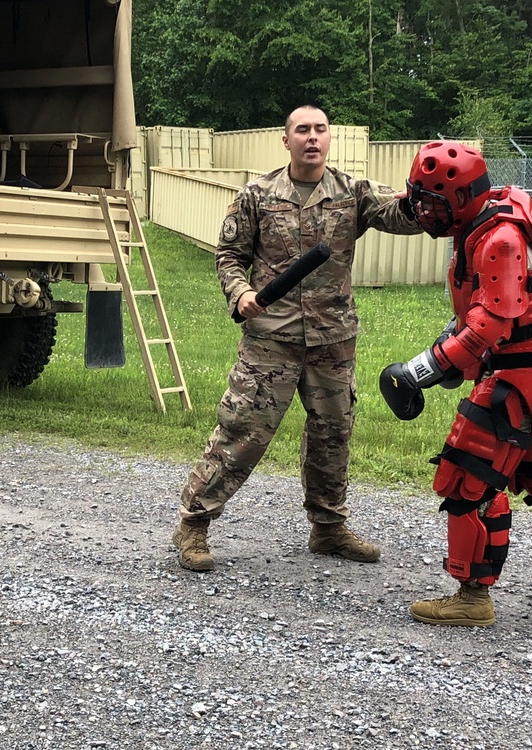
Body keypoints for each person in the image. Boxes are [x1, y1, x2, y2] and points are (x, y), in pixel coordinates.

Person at [172, 104, 422, 572]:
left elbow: (404, 216)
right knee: (243, 433)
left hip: (332, 339)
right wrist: (241, 291)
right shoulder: (258, 195)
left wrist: (428, 194)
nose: (312, 137)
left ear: (331, 139)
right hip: (272, 339)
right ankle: (194, 524)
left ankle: (328, 529)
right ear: (285, 140)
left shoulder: (355, 193)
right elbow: (228, 253)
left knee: (332, 435)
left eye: (320, 130)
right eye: (302, 130)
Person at [380, 141, 532, 626]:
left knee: (469, 478)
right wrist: (453, 351)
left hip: (520, 373)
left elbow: (492, 324)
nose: (422, 210)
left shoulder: (498, 238)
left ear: (462, 197)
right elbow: (489, 306)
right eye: (419, 196)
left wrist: (423, 368)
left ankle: (472, 597)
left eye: (432, 201)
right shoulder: (493, 215)